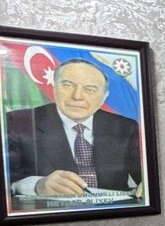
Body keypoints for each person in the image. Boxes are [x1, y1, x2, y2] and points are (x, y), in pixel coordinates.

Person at [5, 59, 142, 199]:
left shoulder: (125, 127)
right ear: (54, 87)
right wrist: (37, 185)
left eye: (89, 89)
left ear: (104, 97)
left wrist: (146, 184)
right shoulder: (17, 122)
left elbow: (146, 175)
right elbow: (7, 180)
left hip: (115, 210)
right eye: (67, 85)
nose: (77, 96)